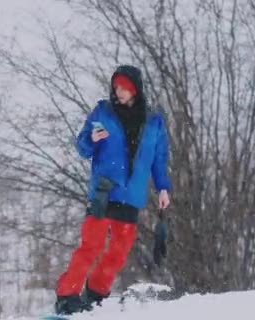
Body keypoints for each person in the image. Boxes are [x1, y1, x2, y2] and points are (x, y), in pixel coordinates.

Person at [54, 65, 172, 315]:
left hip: (132, 195)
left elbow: (159, 160)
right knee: (92, 245)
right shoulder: (103, 112)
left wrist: (163, 188)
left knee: (119, 251)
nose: (119, 91)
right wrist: (92, 140)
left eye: (124, 87)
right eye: (116, 86)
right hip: (104, 191)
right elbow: (82, 147)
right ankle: (67, 294)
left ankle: (96, 292)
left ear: (135, 90)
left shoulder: (154, 121)